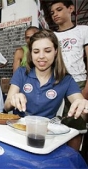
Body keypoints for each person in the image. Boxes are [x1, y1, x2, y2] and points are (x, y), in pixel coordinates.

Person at [4, 29, 88, 150]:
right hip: (18, 132)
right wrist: (12, 100)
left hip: (46, 137)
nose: (41, 56)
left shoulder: (66, 79)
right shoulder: (21, 73)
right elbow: (6, 106)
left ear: (55, 52)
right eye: (36, 51)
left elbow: (81, 107)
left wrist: (83, 106)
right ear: (31, 54)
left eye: (47, 51)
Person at [50, 0, 88, 151]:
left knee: (74, 127)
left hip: (78, 82)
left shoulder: (83, 30)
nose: (55, 14)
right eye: (52, 12)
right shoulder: (51, 36)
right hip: (56, 83)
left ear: (71, 9)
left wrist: (86, 88)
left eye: (59, 9)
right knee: (54, 126)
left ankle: (72, 161)